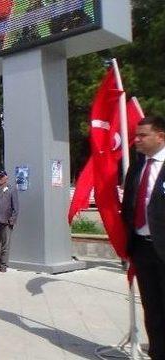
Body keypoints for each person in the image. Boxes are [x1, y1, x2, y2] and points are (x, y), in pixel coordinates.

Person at [121, 116, 165, 360]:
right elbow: (129, 206)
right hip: (142, 249)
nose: (136, 139)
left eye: (142, 135)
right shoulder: (137, 167)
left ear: (161, 136)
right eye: (136, 135)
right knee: (152, 310)